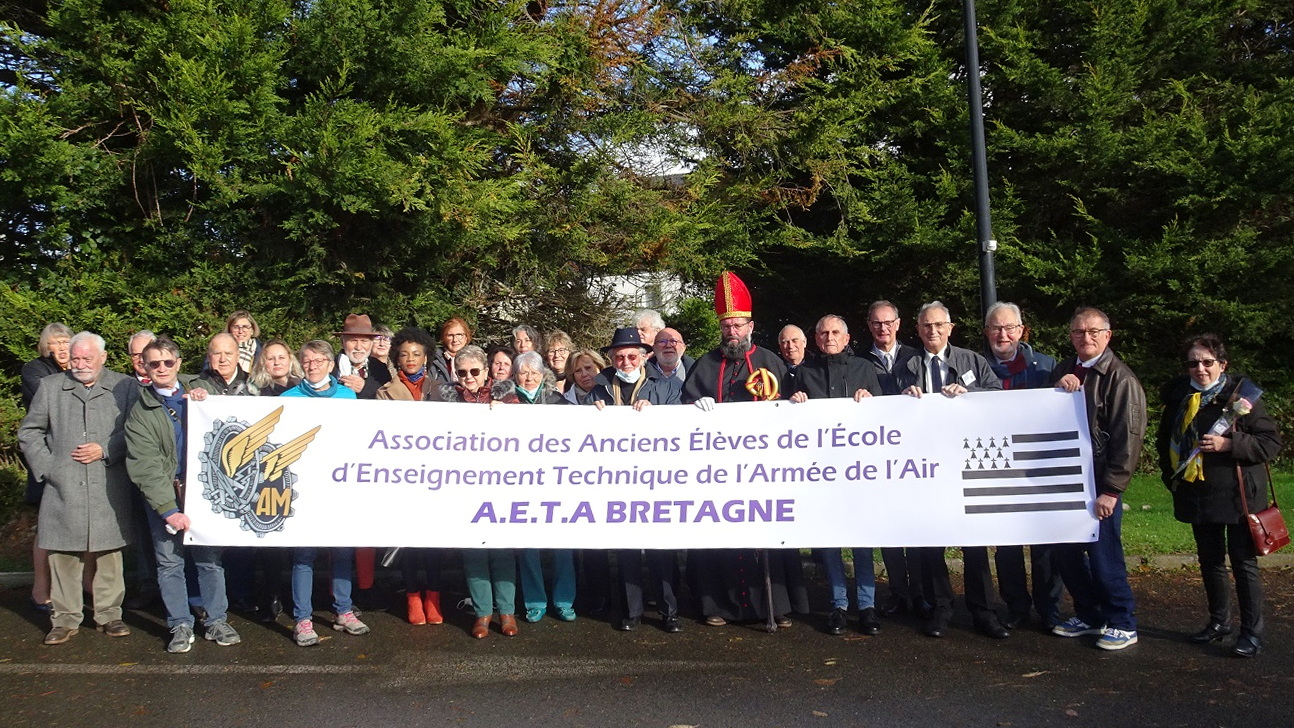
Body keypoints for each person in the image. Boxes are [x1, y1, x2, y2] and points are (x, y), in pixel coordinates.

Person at [683, 272, 802, 629]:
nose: (732, 332)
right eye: (726, 326)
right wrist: (694, 405)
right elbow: (684, 412)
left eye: (738, 325)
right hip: (717, 470)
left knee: (767, 535)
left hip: (764, 467)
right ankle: (716, 605)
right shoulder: (704, 365)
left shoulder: (770, 360)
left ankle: (776, 606)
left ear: (750, 326)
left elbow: (792, 409)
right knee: (719, 536)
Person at [1157, 335, 1281, 657]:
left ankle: (1251, 633)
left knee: (1243, 563)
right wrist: (1170, 478)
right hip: (1198, 492)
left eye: (1208, 362)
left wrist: (1230, 445)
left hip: (1238, 495)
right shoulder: (1179, 397)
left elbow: (1270, 442)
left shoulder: (1242, 398)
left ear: (1222, 365)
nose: (1200, 368)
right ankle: (1218, 622)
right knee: (1210, 561)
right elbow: (1163, 441)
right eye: (1193, 363)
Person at [18, 331, 139, 645]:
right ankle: (65, 618)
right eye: (75, 359)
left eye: (87, 358)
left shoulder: (125, 386)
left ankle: (110, 615)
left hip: (108, 484)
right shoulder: (50, 387)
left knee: (109, 554)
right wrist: (48, 468)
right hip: (64, 484)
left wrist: (107, 448)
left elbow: (136, 429)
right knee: (62, 553)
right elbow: (30, 433)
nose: (80, 364)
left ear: (103, 357)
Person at [124, 337, 241, 653]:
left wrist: (207, 399)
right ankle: (179, 624)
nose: (161, 368)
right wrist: (167, 509)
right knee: (169, 563)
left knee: (209, 561)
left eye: (167, 362)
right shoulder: (141, 412)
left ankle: (216, 620)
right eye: (154, 363)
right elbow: (145, 466)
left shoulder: (199, 392)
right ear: (145, 368)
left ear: (178, 363)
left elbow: (230, 419)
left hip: (203, 492)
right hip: (166, 495)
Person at [897, 301, 1005, 639]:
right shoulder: (906, 365)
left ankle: (983, 611)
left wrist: (970, 393)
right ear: (917, 329)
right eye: (926, 326)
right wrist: (901, 397)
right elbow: (883, 406)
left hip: (964, 463)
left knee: (974, 541)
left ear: (950, 328)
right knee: (933, 543)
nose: (932, 331)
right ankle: (941, 608)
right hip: (925, 467)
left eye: (939, 325)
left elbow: (998, 396)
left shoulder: (972, 360)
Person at [1050, 307, 1146, 651]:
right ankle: (1090, 615)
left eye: (1093, 332)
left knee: (1103, 555)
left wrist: (1112, 490)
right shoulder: (1063, 369)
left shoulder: (1120, 379)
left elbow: (1128, 438)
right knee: (1066, 554)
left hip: (1098, 484)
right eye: (1078, 332)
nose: (1085, 338)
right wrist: (1057, 386)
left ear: (1108, 335)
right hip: (1065, 481)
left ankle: (1122, 620)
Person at [788, 315, 882, 636]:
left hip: (859, 471)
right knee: (830, 542)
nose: (829, 337)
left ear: (846, 337)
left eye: (835, 333)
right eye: (824, 333)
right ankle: (839, 605)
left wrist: (872, 402)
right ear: (816, 340)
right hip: (821, 473)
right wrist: (795, 401)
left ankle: (867, 606)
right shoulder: (804, 373)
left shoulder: (865, 370)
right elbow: (791, 425)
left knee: (861, 541)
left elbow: (884, 418)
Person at [591, 328, 684, 632]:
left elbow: (679, 429)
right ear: (611, 358)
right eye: (619, 356)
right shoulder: (600, 388)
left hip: (656, 480)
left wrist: (657, 415)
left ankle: (669, 612)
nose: (626, 361)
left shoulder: (667, 387)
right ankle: (631, 611)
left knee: (660, 549)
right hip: (615, 481)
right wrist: (593, 414)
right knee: (626, 549)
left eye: (632, 356)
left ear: (645, 357)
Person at [281, 340, 370, 646]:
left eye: (320, 361)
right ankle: (303, 619)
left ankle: (343, 611)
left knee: (342, 551)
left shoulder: (348, 396)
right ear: (301, 364)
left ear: (332, 365)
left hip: (339, 487)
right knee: (304, 555)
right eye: (307, 361)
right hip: (303, 487)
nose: (313, 365)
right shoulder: (288, 398)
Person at [982, 302, 1064, 630]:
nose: (1003, 335)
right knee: (1007, 544)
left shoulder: (1046, 367)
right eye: (996, 328)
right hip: (995, 465)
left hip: (1037, 465)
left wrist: (1068, 385)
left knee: (1044, 544)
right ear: (986, 332)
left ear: (1021, 330)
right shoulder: (974, 366)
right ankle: (1016, 605)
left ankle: (1049, 608)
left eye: (1009, 328)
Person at [439, 345, 519, 637]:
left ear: (486, 371)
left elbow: (527, 435)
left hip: (501, 484)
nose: (469, 377)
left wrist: (506, 416)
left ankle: (507, 612)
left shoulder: (508, 397)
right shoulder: (445, 402)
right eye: (462, 372)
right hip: (464, 486)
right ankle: (483, 613)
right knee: (473, 552)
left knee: (502, 551)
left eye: (475, 371)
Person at [376, 327, 448, 625]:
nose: (410, 359)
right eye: (404, 354)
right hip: (402, 477)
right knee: (408, 542)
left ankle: (434, 597)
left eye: (417, 354)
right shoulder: (384, 392)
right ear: (397, 357)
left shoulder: (442, 389)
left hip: (436, 476)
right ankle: (413, 597)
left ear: (427, 357)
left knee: (433, 542)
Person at [859, 301, 926, 619]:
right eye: (876, 323)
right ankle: (899, 594)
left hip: (914, 457)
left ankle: (922, 595)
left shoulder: (917, 357)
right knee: (888, 532)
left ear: (898, 324)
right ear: (869, 326)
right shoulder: (860, 362)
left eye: (888, 323)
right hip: (878, 459)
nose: (882, 328)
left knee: (915, 529)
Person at [509, 351, 576, 623]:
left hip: (555, 482)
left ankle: (564, 600)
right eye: (522, 373)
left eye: (533, 372)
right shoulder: (505, 402)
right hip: (519, 483)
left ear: (542, 374)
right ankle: (534, 602)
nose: (528, 378)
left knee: (562, 545)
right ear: (514, 376)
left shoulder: (558, 402)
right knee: (527, 546)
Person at [19, 322, 73, 614]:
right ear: (46, 347)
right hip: (49, 457)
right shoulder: (34, 370)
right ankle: (41, 589)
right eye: (56, 343)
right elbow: (55, 401)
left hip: (76, 457)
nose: (62, 348)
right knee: (47, 525)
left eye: (67, 342)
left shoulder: (76, 370)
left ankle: (77, 587)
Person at [334, 313, 390, 399]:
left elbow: (388, 399)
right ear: (343, 342)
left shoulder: (379, 369)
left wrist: (365, 388)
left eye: (364, 341)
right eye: (353, 341)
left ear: (371, 343)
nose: (358, 347)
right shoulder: (329, 366)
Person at [225, 310, 261, 375]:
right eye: (236, 327)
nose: (240, 331)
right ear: (229, 330)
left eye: (245, 327)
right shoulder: (218, 348)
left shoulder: (263, 351)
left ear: (252, 330)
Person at [437, 317, 472, 382]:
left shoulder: (476, 359)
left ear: (466, 337)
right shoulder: (434, 360)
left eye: (459, 335)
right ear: (444, 338)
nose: (455, 340)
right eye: (450, 335)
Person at [778, 324, 808, 393]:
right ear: (780, 346)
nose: (790, 346)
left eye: (795, 341)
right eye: (785, 342)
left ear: (804, 342)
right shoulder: (774, 368)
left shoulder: (817, 367)